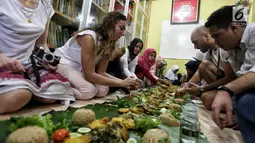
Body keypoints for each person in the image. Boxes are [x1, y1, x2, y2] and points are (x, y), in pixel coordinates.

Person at [0, 0, 75, 114]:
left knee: (53, 93)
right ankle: (24, 92)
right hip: (3, 62)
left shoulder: (45, 7)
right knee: (21, 94)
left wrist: (48, 59)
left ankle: (25, 91)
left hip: (28, 64)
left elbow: (41, 44)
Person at [56, 12, 139, 100]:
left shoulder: (109, 43)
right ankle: (55, 90)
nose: (123, 33)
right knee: (88, 90)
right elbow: (89, 75)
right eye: (121, 28)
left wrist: (125, 82)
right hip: (63, 64)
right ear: (110, 25)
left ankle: (70, 85)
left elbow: (101, 72)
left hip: (79, 69)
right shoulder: (89, 37)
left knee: (103, 89)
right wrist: (120, 83)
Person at [205, 5, 254, 142]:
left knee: (245, 102)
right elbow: (241, 77)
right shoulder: (233, 48)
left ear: (234, 27)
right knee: (212, 99)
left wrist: (225, 90)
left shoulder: (253, 32)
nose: (215, 42)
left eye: (216, 36)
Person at [176, 26, 237, 110]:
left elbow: (230, 77)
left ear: (206, 36)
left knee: (206, 98)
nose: (195, 47)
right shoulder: (209, 52)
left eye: (195, 42)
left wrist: (202, 89)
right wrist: (185, 87)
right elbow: (199, 72)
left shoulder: (224, 48)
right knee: (203, 65)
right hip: (221, 86)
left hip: (232, 86)